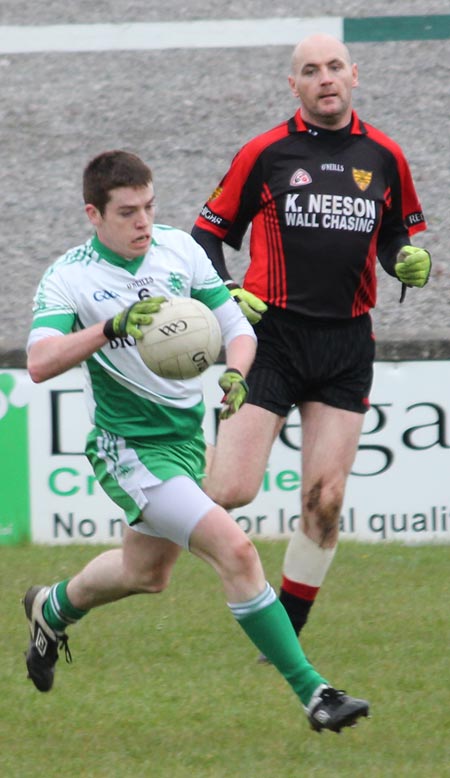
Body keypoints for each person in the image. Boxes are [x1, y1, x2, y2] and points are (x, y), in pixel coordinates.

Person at [23, 149, 369, 734]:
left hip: (184, 440)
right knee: (235, 549)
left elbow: (234, 323)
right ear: (93, 214)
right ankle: (315, 693)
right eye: (128, 212)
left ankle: (50, 608)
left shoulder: (177, 250)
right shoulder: (70, 277)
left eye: (149, 207)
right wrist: (109, 328)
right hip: (129, 448)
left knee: (145, 574)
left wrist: (237, 371)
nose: (143, 222)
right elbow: (38, 362)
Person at [192, 34, 430, 649]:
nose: (324, 78)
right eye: (309, 71)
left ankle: (285, 637)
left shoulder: (385, 156)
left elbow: (395, 237)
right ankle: (163, 483)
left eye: (333, 67)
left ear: (354, 74)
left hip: (347, 345)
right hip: (270, 338)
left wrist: (407, 259)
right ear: (292, 85)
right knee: (230, 492)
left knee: (325, 502)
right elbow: (206, 233)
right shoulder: (266, 152)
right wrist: (223, 292)